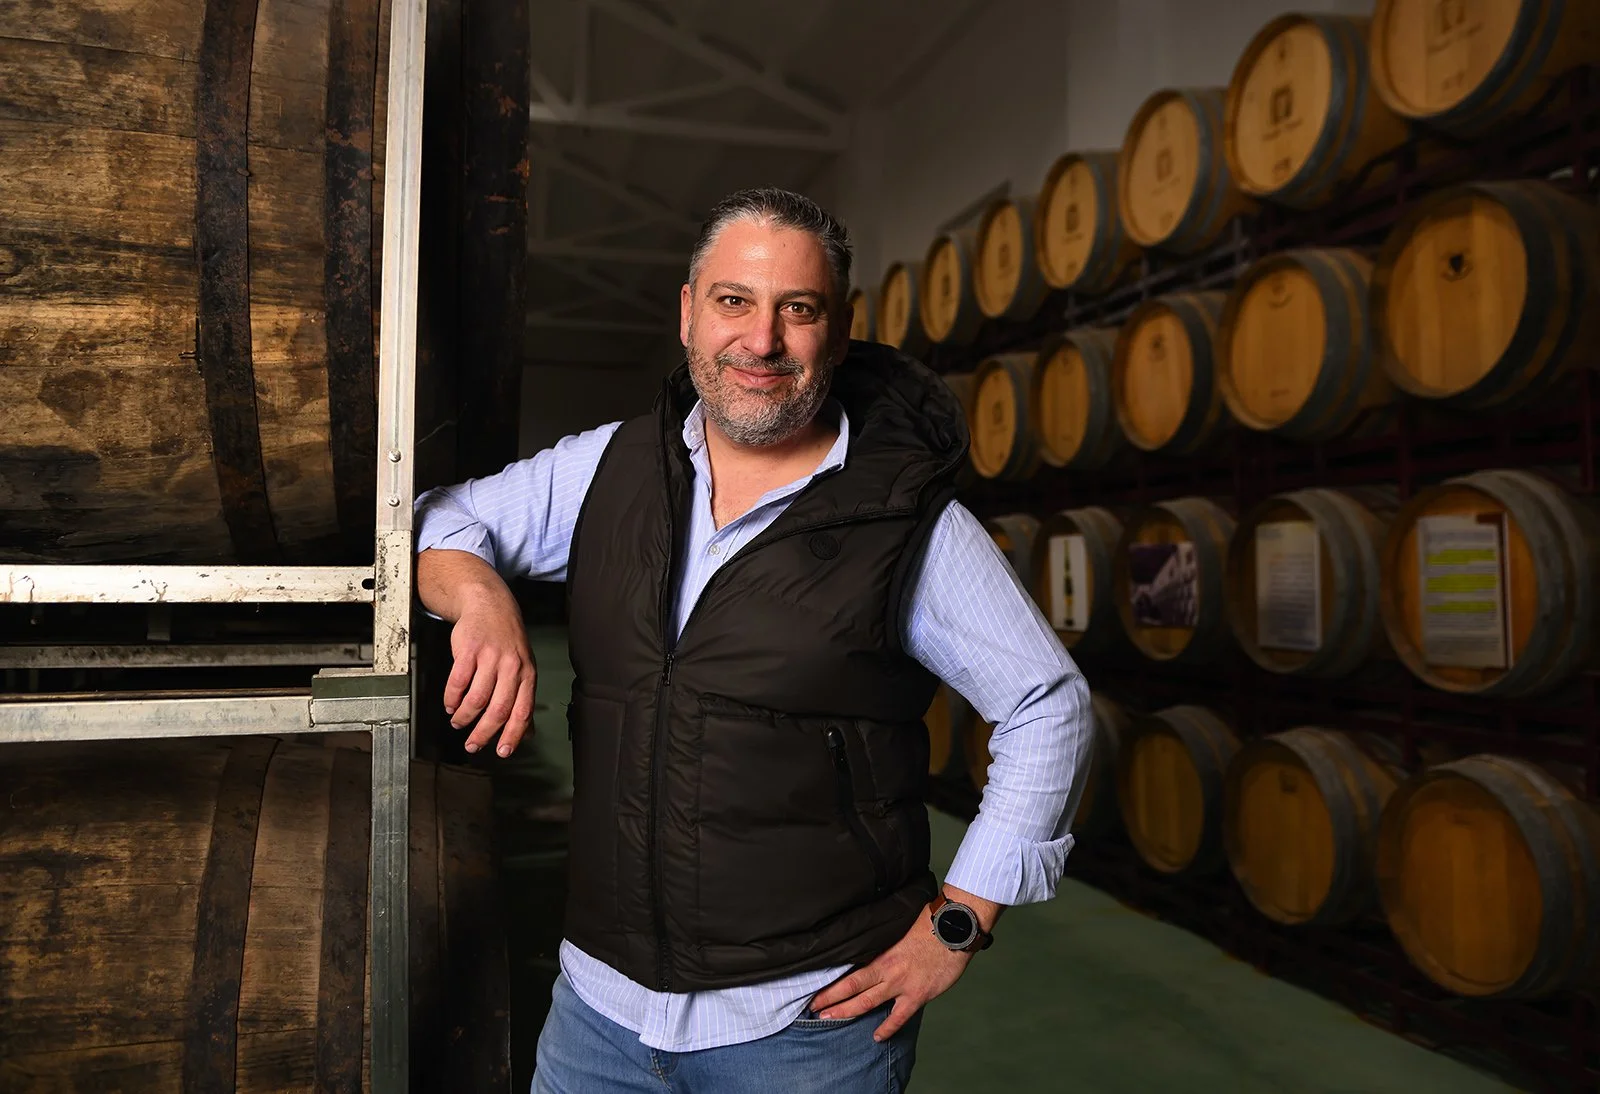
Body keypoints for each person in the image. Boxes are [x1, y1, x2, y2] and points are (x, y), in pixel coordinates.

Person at [414, 187, 1091, 1093]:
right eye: (734, 301)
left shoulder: (907, 519)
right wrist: (483, 601)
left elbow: (1048, 707)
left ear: (839, 331)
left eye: (796, 310)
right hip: (597, 1018)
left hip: (803, 1031)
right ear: (689, 315)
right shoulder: (609, 468)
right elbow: (437, 522)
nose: (762, 341)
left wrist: (957, 922)